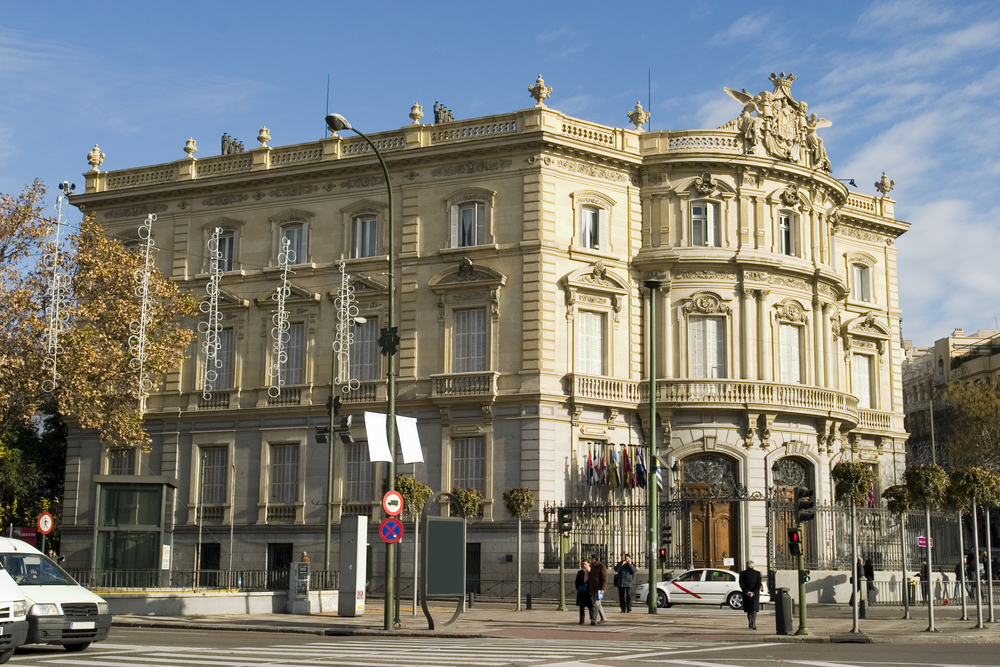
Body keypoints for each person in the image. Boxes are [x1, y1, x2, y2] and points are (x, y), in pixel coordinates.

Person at [738, 560, 762, 629]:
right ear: (753, 566)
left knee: (748, 609)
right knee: (754, 609)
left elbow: (741, 583)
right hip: (755, 594)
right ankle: (753, 623)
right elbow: (759, 584)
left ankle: (750, 623)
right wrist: (753, 592)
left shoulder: (742, 573)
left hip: (746, 593)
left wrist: (747, 592)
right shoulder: (757, 573)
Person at [588, 554, 608, 624]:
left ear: (594, 559)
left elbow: (604, 578)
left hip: (599, 588)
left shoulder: (601, 566)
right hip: (593, 588)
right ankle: (603, 617)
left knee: (597, 603)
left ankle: (601, 618)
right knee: (598, 603)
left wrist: (603, 588)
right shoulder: (593, 567)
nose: (590, 560)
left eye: (591, 559)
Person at [575, 560, 594, 625]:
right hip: (582, 591)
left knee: (590, 606)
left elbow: (594, 579)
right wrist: (578, 588)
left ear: (589, 564)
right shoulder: (580, 572)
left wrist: (589, 572)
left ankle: (592, 619)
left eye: (585, 564)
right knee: (581, 607)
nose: (584, 566)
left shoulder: (591, 572)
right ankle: (581, 620)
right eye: (583, 564)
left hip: (589, 591)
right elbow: (577, 581)